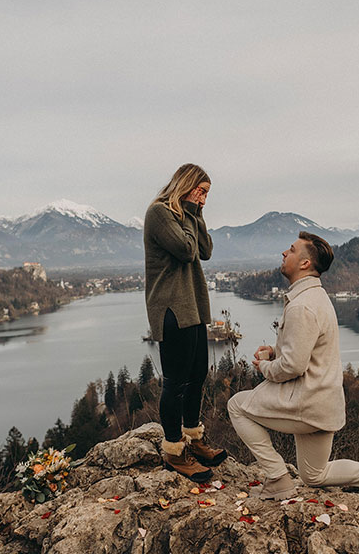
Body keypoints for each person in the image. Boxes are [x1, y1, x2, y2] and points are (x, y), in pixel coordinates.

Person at [227, 231, 359, 518]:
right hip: (323, 402)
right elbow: (305, 352)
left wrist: (265, 367)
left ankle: (277, 477)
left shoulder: (303, 305)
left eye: (290, 250)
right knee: (314, 474)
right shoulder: (316, 297)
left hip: (306, 401)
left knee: (237, 406)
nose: (283, 253)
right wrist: (276, 352)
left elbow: (293, 367)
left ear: (304, 264)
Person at [144, 163, 227, 482]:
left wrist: (196, 212)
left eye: (207, 194)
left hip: (191, 306)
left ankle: (194, 438)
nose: (204, 199)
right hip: (171, 309)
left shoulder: (187, 215)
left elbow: (205, 250)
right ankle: (174, 451)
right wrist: (191, 210)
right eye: (201, 191)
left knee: (197, 375)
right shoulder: (159, 213)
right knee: (175, 382)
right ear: (187, 185)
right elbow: (186, 249)